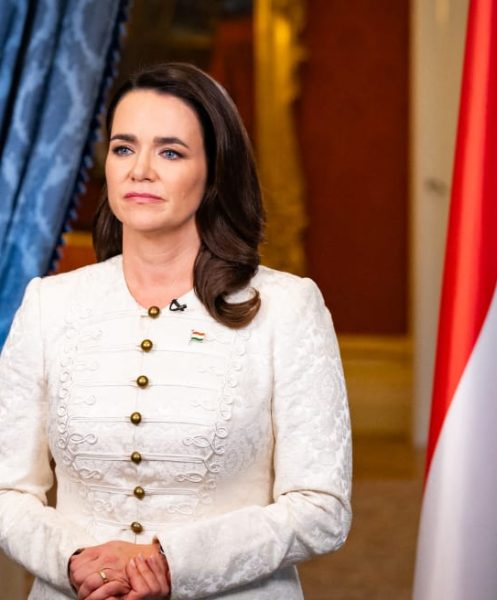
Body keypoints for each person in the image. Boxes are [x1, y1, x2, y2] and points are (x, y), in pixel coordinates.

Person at [0, 63, 352, 599]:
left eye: (170, 152)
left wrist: (169, 564)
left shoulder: (287, 308)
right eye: (123, 148)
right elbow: (5, 489)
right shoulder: (49, 303)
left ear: (215, 172)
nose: (140, 170)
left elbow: (322, 507)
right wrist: (72, 561)